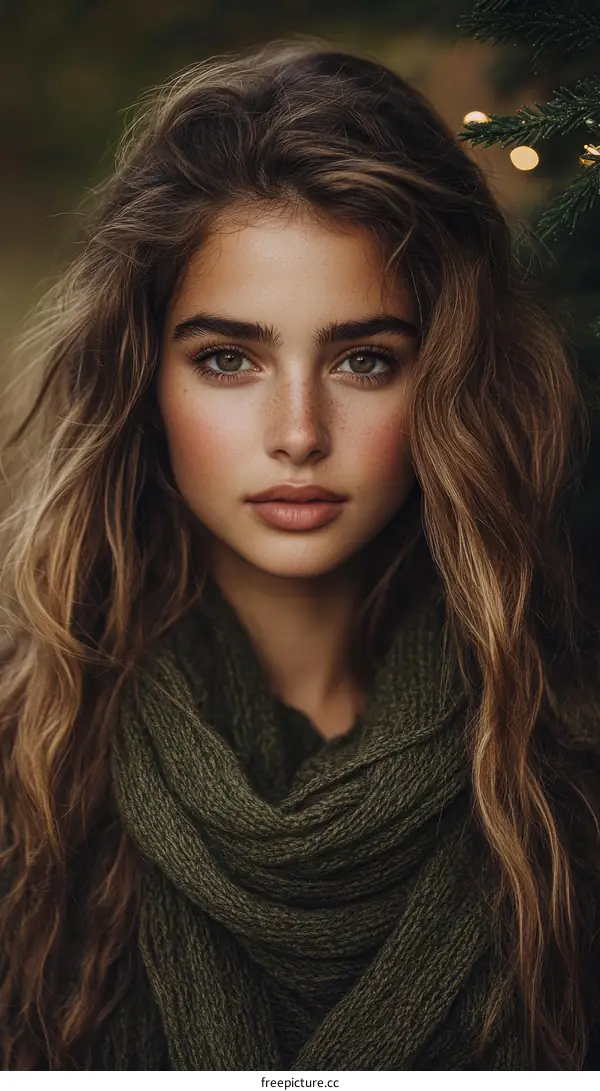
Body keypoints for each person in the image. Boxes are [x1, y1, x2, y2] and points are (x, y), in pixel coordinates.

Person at [0, 36, 599, 1072]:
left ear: (448, 383)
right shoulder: (29, 766)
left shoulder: (561, 762)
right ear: (144, 377)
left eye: (365, 359)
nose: (297, 431)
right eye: (228, 358)